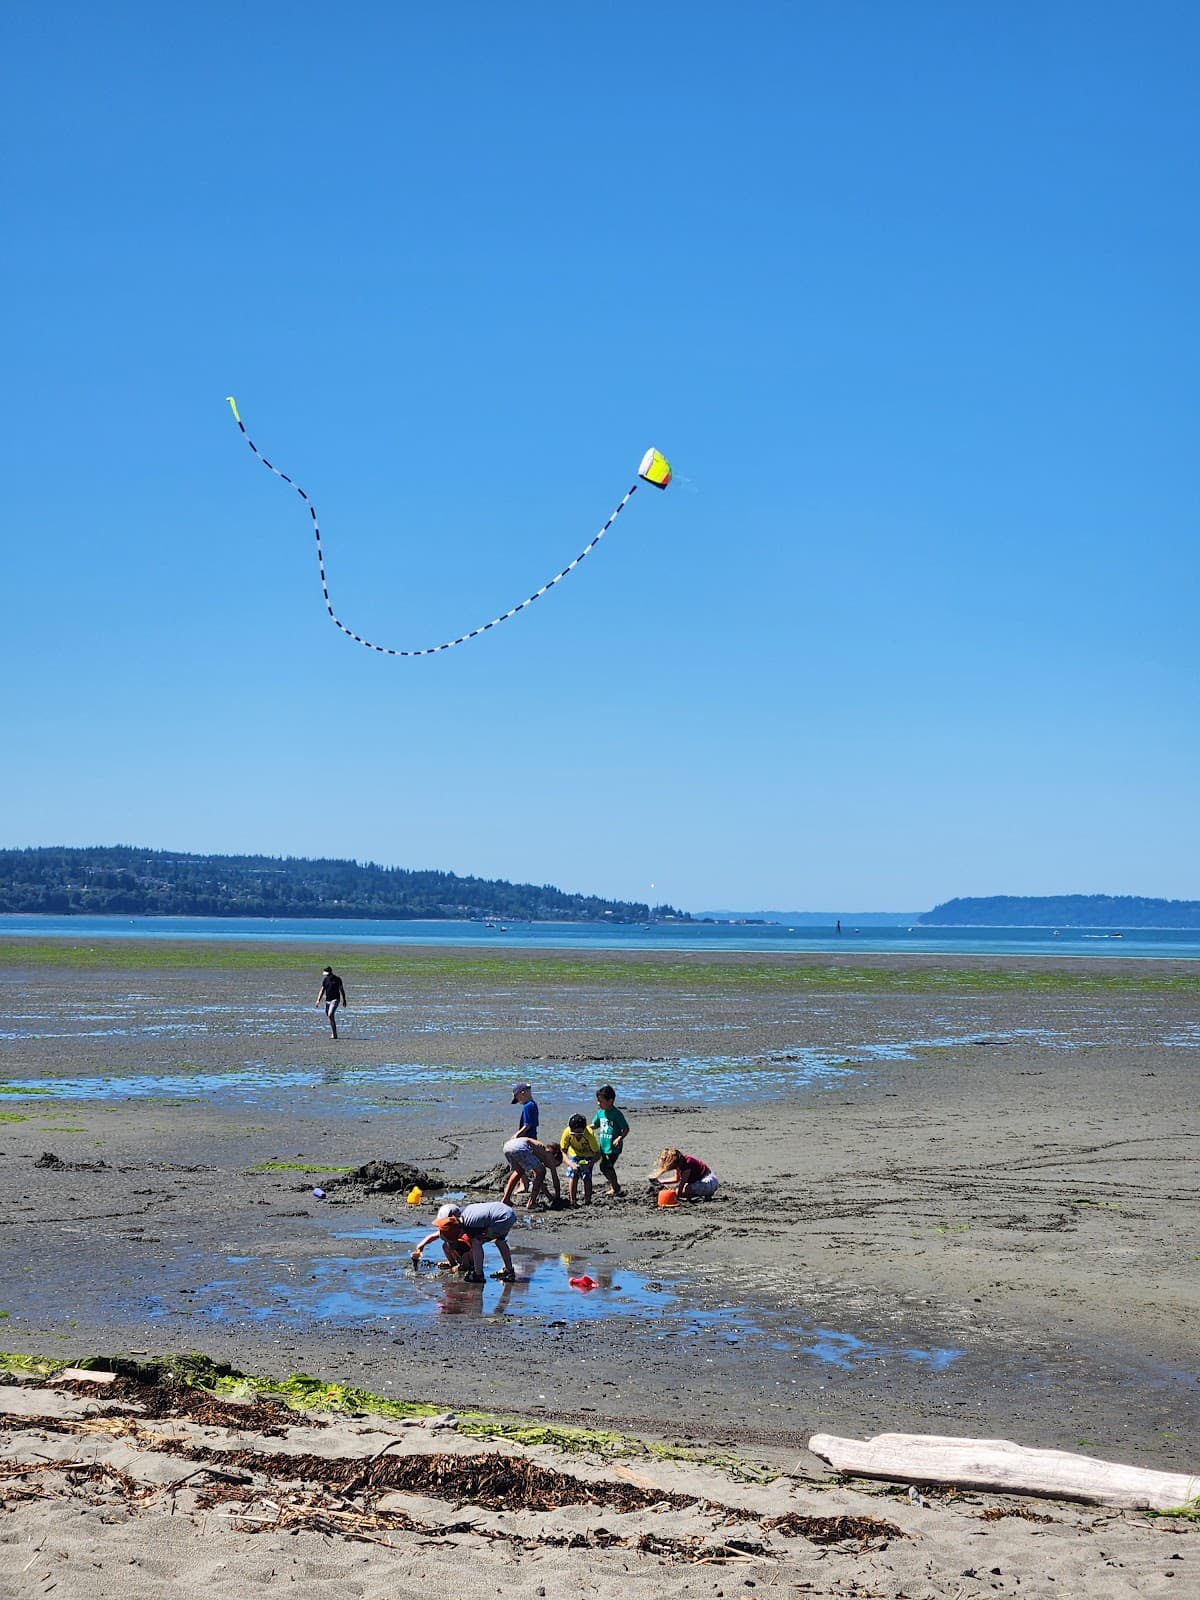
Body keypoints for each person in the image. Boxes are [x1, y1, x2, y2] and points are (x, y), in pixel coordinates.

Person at [434, 1201, 516, 1282]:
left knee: (476, 1242)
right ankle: (509, 1270)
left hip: (500, 1218)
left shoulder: (469, 1225)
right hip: (506, 1212)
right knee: (500, 1241)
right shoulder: (463, 1214)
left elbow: (474, 1241)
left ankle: (478, 1274)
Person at [500, 1136, 563, 1209]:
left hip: (508, 1146)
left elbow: (538, 1180)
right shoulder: (548, 1154)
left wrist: (549, 1196)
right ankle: (531, 1203)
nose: (553, 1166)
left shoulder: (537, 1153)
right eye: (556, 1164)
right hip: (520, 1148)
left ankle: (505, 1199)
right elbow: (555, 1179)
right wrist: (558, 1197)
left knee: (519, 1171)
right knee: (542, 1171)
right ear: (554, 1156)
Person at [590, 1085, 629, 1199]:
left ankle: (615, 1187)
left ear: (610, 1101)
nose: (598, 1103)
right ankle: (615, 1186)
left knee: (606, 1166)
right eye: (597, 1101)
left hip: (613, 1147)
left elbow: (626, 1128)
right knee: (604, 1167)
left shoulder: (616, 1114)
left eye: (600, 1101)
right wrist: (586, 1128)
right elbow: (595, 1124)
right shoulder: (600, 1112)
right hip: (603, 1145)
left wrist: (619, 1138)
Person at [560, 1113, 602, 1207]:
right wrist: (570, 1164)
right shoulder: (567, 1133)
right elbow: (562, 1152)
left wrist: (590, 1163)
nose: (577, 1136)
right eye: (575, 1133)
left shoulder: (590, 1134)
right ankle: (573, 1201)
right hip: (574, 1154)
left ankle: (587, 1200)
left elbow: (598, 1154)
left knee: (586, 1176)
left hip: (588, 1155)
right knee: (573, 1175)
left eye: (580, 1133)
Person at [651, 1147, 719, 1200]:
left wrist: (675, 1197)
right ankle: (704, 1193)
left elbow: (681, 1185)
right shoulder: (680, 1163)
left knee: (682, 1190)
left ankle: (704, 1193)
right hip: (705, 1181)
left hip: (709, 1182)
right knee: (678, 1189)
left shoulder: (687, 1165)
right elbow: (676, 1179)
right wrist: (661, 1181)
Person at [315, 965, 347, 1039]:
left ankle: (334, 1034)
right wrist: (318, 1000)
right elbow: (322, 990)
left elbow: (341, 990)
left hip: (335, 999)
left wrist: (344, 1000)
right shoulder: (325, 980)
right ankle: (334, 1034)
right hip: (328, 1000)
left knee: (330, 1014)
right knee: (330, 1017)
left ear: (331, 972)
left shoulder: (338, 979)